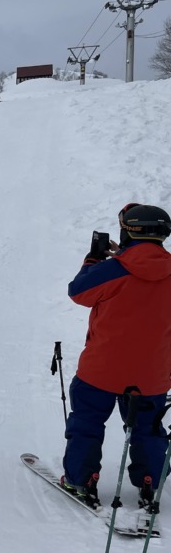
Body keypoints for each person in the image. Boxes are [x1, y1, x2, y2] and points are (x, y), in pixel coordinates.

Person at [61, 203, 171, 505]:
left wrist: (94, 260)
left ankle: (81, 480)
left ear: (129, 231)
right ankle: (150, 481)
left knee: (87, 423)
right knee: (149, 428)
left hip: (101, 370)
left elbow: (78, 292)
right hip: (152, 374)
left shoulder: (113, 269)